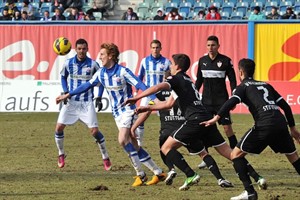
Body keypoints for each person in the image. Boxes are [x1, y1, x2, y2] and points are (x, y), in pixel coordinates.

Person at [56, 42, 166, 187]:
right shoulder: (101, 73)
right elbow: (86, 85)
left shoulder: (123, 71)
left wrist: (155, 99)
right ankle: (158, 172)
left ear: (111, 56)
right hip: (116, 113)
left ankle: (140, 174)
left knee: (122, 139)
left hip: (127, 110)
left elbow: (140, 84)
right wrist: (68, 94)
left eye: (102, 54)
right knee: (134, 145)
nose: (99, 57)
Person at [124, 54, 237, 191]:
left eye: (171, 64)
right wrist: (147, 107)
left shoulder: (175, 80)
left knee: (165, 148)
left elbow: (157, 88)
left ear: (177, 66)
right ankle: (249, 175)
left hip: (189, 124)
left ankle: (187, 173)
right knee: (221, 153)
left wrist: (137, 98)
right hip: (202, 118)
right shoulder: (187, 81)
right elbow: (168, 104)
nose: (170, 66)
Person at [201, 58, 300, 200]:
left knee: (235, 155)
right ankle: (250, 191)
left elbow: (231, 102)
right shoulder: (266, 85)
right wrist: (293, 129)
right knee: (294, 157)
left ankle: (250, 192)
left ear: (240, 71)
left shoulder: (243, 86)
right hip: (280, 124)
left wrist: (216, 118)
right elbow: (286, 107)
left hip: (264, 125)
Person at [54, 38, 112, 171]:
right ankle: (61, 154)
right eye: (79, 49)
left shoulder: (93, 64)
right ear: (75, 49)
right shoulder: (68, 63)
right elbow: (63, 77)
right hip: (71, 102)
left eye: (84, 49)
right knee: (58, 128)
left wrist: (99, 97)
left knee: (94, 131)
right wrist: (66, 91)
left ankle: (105, 156)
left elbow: (102, 80)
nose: (81, 51)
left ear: (87, 49)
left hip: (87, 103)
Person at [195, 35, 237, 169]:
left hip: (222, 102)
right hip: (206, 102)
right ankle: (205, 158)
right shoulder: (202, 61)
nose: (210, 48)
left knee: (227, 128)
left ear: (218, 46)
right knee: (205, 128)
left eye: (213, 45)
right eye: (208, 45)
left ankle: (236, 154)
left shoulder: (226, 61)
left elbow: (233, 81)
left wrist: (234, 98)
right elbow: (199, 81)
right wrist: (194, 95)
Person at [132, 39, 171, 147]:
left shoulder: (167, 62)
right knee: (142, 116)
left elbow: (171, 77)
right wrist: (136, 91)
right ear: (150, 48)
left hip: (161, 96)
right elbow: (140, 77)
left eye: (157, 47)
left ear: (160, 48)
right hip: (148, 95)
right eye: (153, 48)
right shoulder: (145, 61)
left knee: (166, 117)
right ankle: (139, 141)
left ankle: (167, 139)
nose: (155, 50)